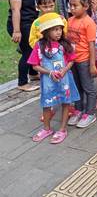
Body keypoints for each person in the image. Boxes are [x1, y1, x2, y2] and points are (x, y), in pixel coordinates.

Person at [28, 13, 80, 144]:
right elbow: (35, 66)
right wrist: (49, 72)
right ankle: (47, 128)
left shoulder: (64, 45)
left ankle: (62, 129)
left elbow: (71, 61)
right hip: (48, 82)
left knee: (65, 103)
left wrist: (64, 70)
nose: (59, 32)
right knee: (47, 105)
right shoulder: (39, 46)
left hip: (65, 80)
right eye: (55, 29)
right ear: (46, 31)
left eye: (60, 29)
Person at [6, 0, 39, 91]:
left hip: (31, 22)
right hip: (21, 23)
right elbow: (15, 10)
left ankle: (32, 73)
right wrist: (16, 30)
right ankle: (22, 82)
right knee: (27, 51)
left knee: (33, 48)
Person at [67, 0, 97, 128]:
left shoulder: (89, 23)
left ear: (85, 6)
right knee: (76, 86)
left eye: (75, 6)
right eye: (71, 6)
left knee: (88, 88)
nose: (72, 8)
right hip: (72, 60)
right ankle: (79, 110)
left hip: (84, 60)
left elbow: (92, 45)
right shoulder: (70, 20)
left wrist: (92, 65)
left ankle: (90, 113)